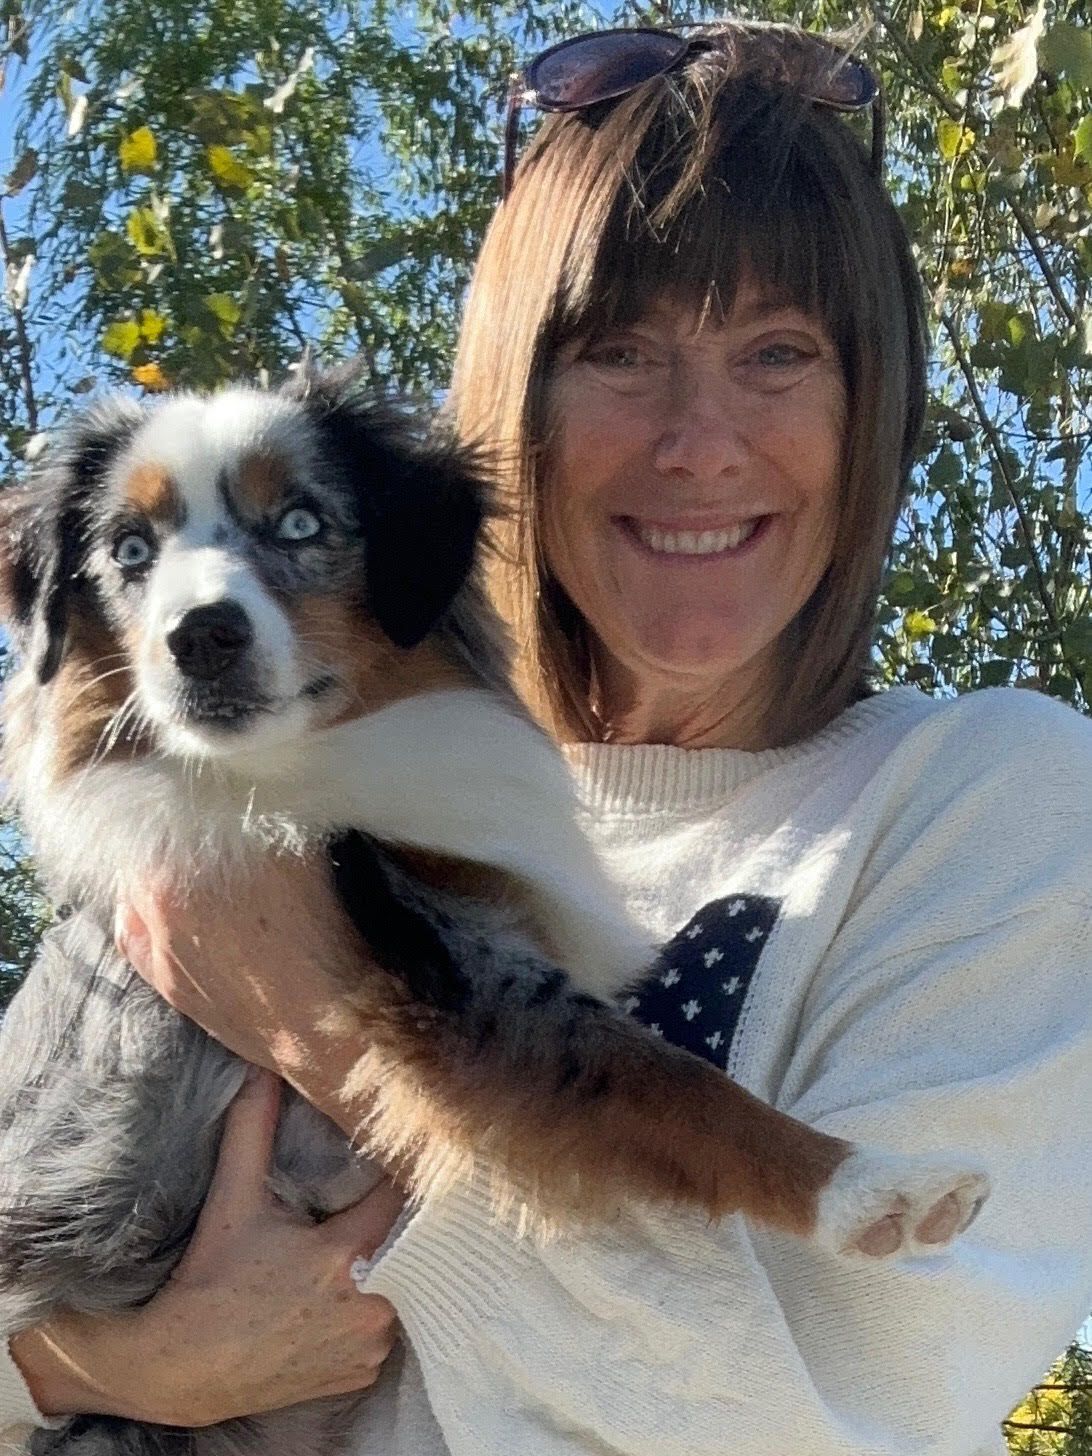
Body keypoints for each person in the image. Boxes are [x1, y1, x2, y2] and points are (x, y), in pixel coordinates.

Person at [4, 17, 1092, 1456]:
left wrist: (314, 996)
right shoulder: (272, 796)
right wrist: (92, 1371)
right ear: (517, 403)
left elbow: (837, 1416)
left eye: (777, 351)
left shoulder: (995, 801)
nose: (699, 442)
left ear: (867, 402)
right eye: (621, 352)